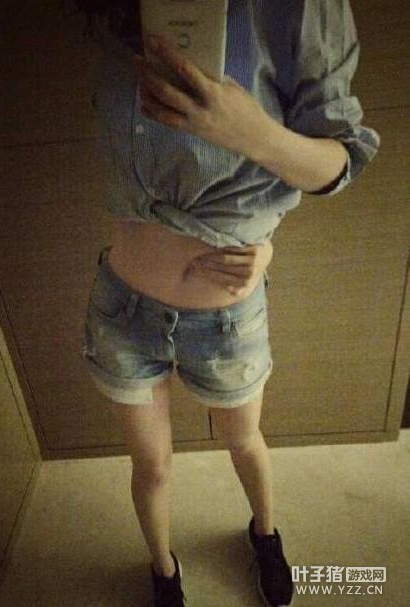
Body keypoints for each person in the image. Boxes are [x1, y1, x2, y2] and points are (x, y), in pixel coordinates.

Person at [67, 1, 380, 605]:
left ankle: (265, 534)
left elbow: (340, 157)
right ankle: (163, 571)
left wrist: (252, 135)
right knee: (152, 467)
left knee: (244, 443)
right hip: (122, 312)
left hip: (227, 320)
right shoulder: (112, 13)